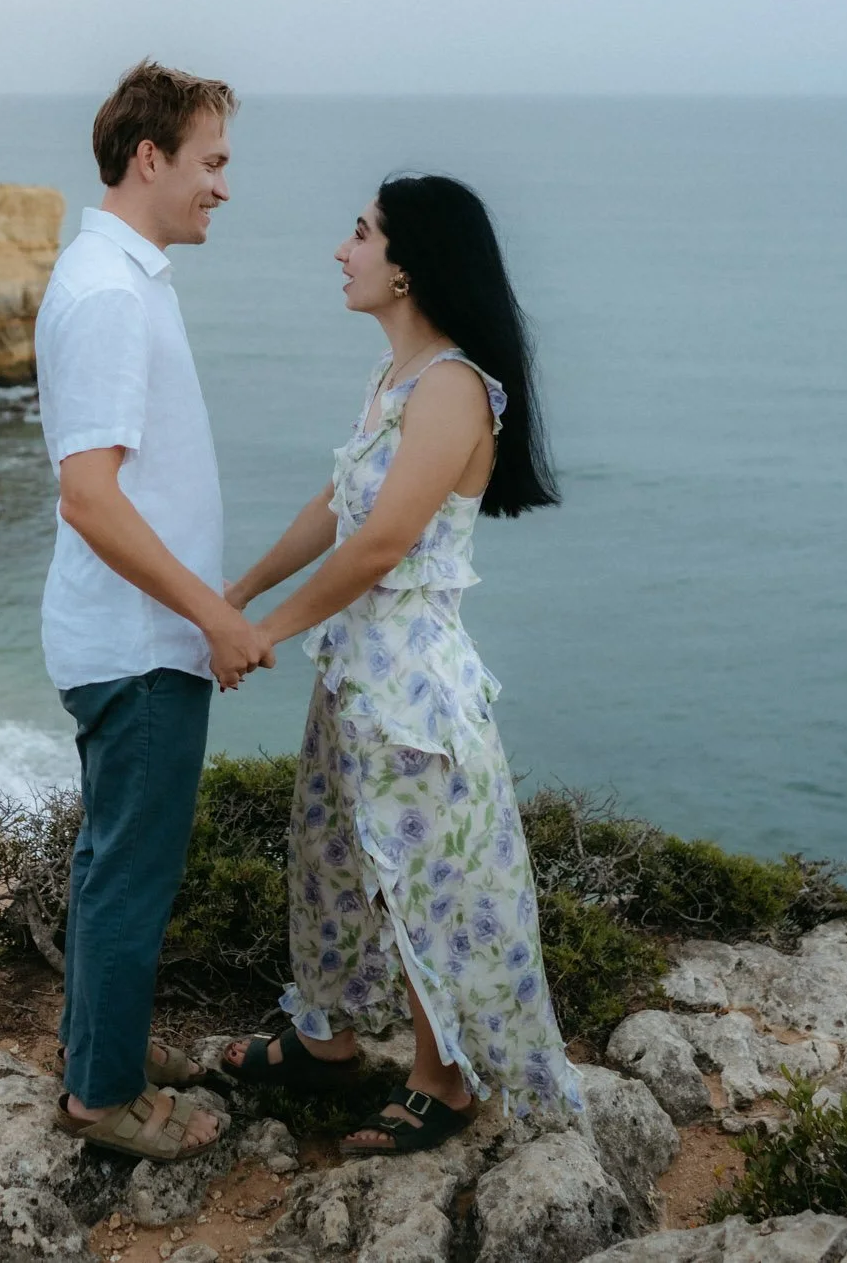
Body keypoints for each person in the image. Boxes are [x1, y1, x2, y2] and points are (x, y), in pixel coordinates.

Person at [218, 173, 583, 1154]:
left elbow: (382, 544)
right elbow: (334, 507)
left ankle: (444, 1081)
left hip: (412, 688)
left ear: (407, 264)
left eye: (359, 234)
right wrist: (239, 591)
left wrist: (267, 631)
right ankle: (326, 1038)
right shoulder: (391, 383)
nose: (342, 251)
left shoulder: (456, 388)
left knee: (418, 879)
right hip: (357, 672)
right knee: (335, 857)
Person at [39, 60, 271, 1163]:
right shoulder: (108, 293)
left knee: (112, 862)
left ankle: (103, 1054)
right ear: (151, 157)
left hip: (138, 635)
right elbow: (89, 496)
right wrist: (211, 617)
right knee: (133, 868)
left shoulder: (120, 278)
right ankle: (104, 1098)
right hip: (138, 645)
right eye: (211, 160)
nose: (222, 185)